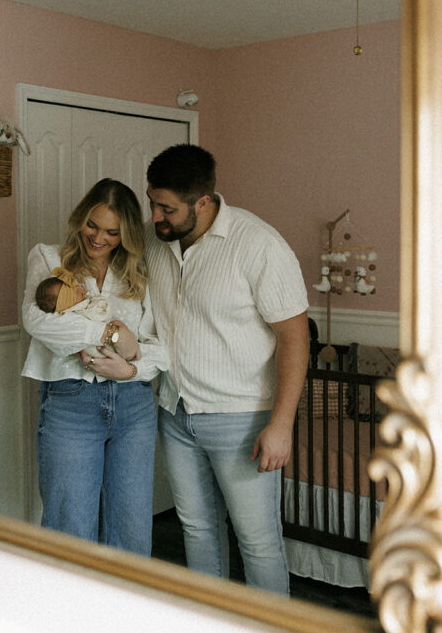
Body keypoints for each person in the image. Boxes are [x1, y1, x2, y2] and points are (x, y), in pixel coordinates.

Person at [144, 144, 309, 595]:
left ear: (203, 202)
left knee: (257, 543)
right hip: (175, 411)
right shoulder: (156, 243)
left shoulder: (258, 245)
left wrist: (282, 425)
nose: (156, 215)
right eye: (152, 202)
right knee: (197, 531)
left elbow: (294, 339)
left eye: (167, 208)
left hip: (242, 418)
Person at [22, 178, 168, 556]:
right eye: (92, 225)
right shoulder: (48, 258)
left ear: (127, 234)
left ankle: (124, 612)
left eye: (112, 232)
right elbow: (39, 322)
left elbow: (157, 347)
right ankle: (67, 613)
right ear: (80, 218)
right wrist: (112, 334)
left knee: (131, 527)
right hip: (72, 402)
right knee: (70, 526)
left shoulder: (140, 273)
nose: (98, 238)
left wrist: (132, 369)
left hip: (134, 404)